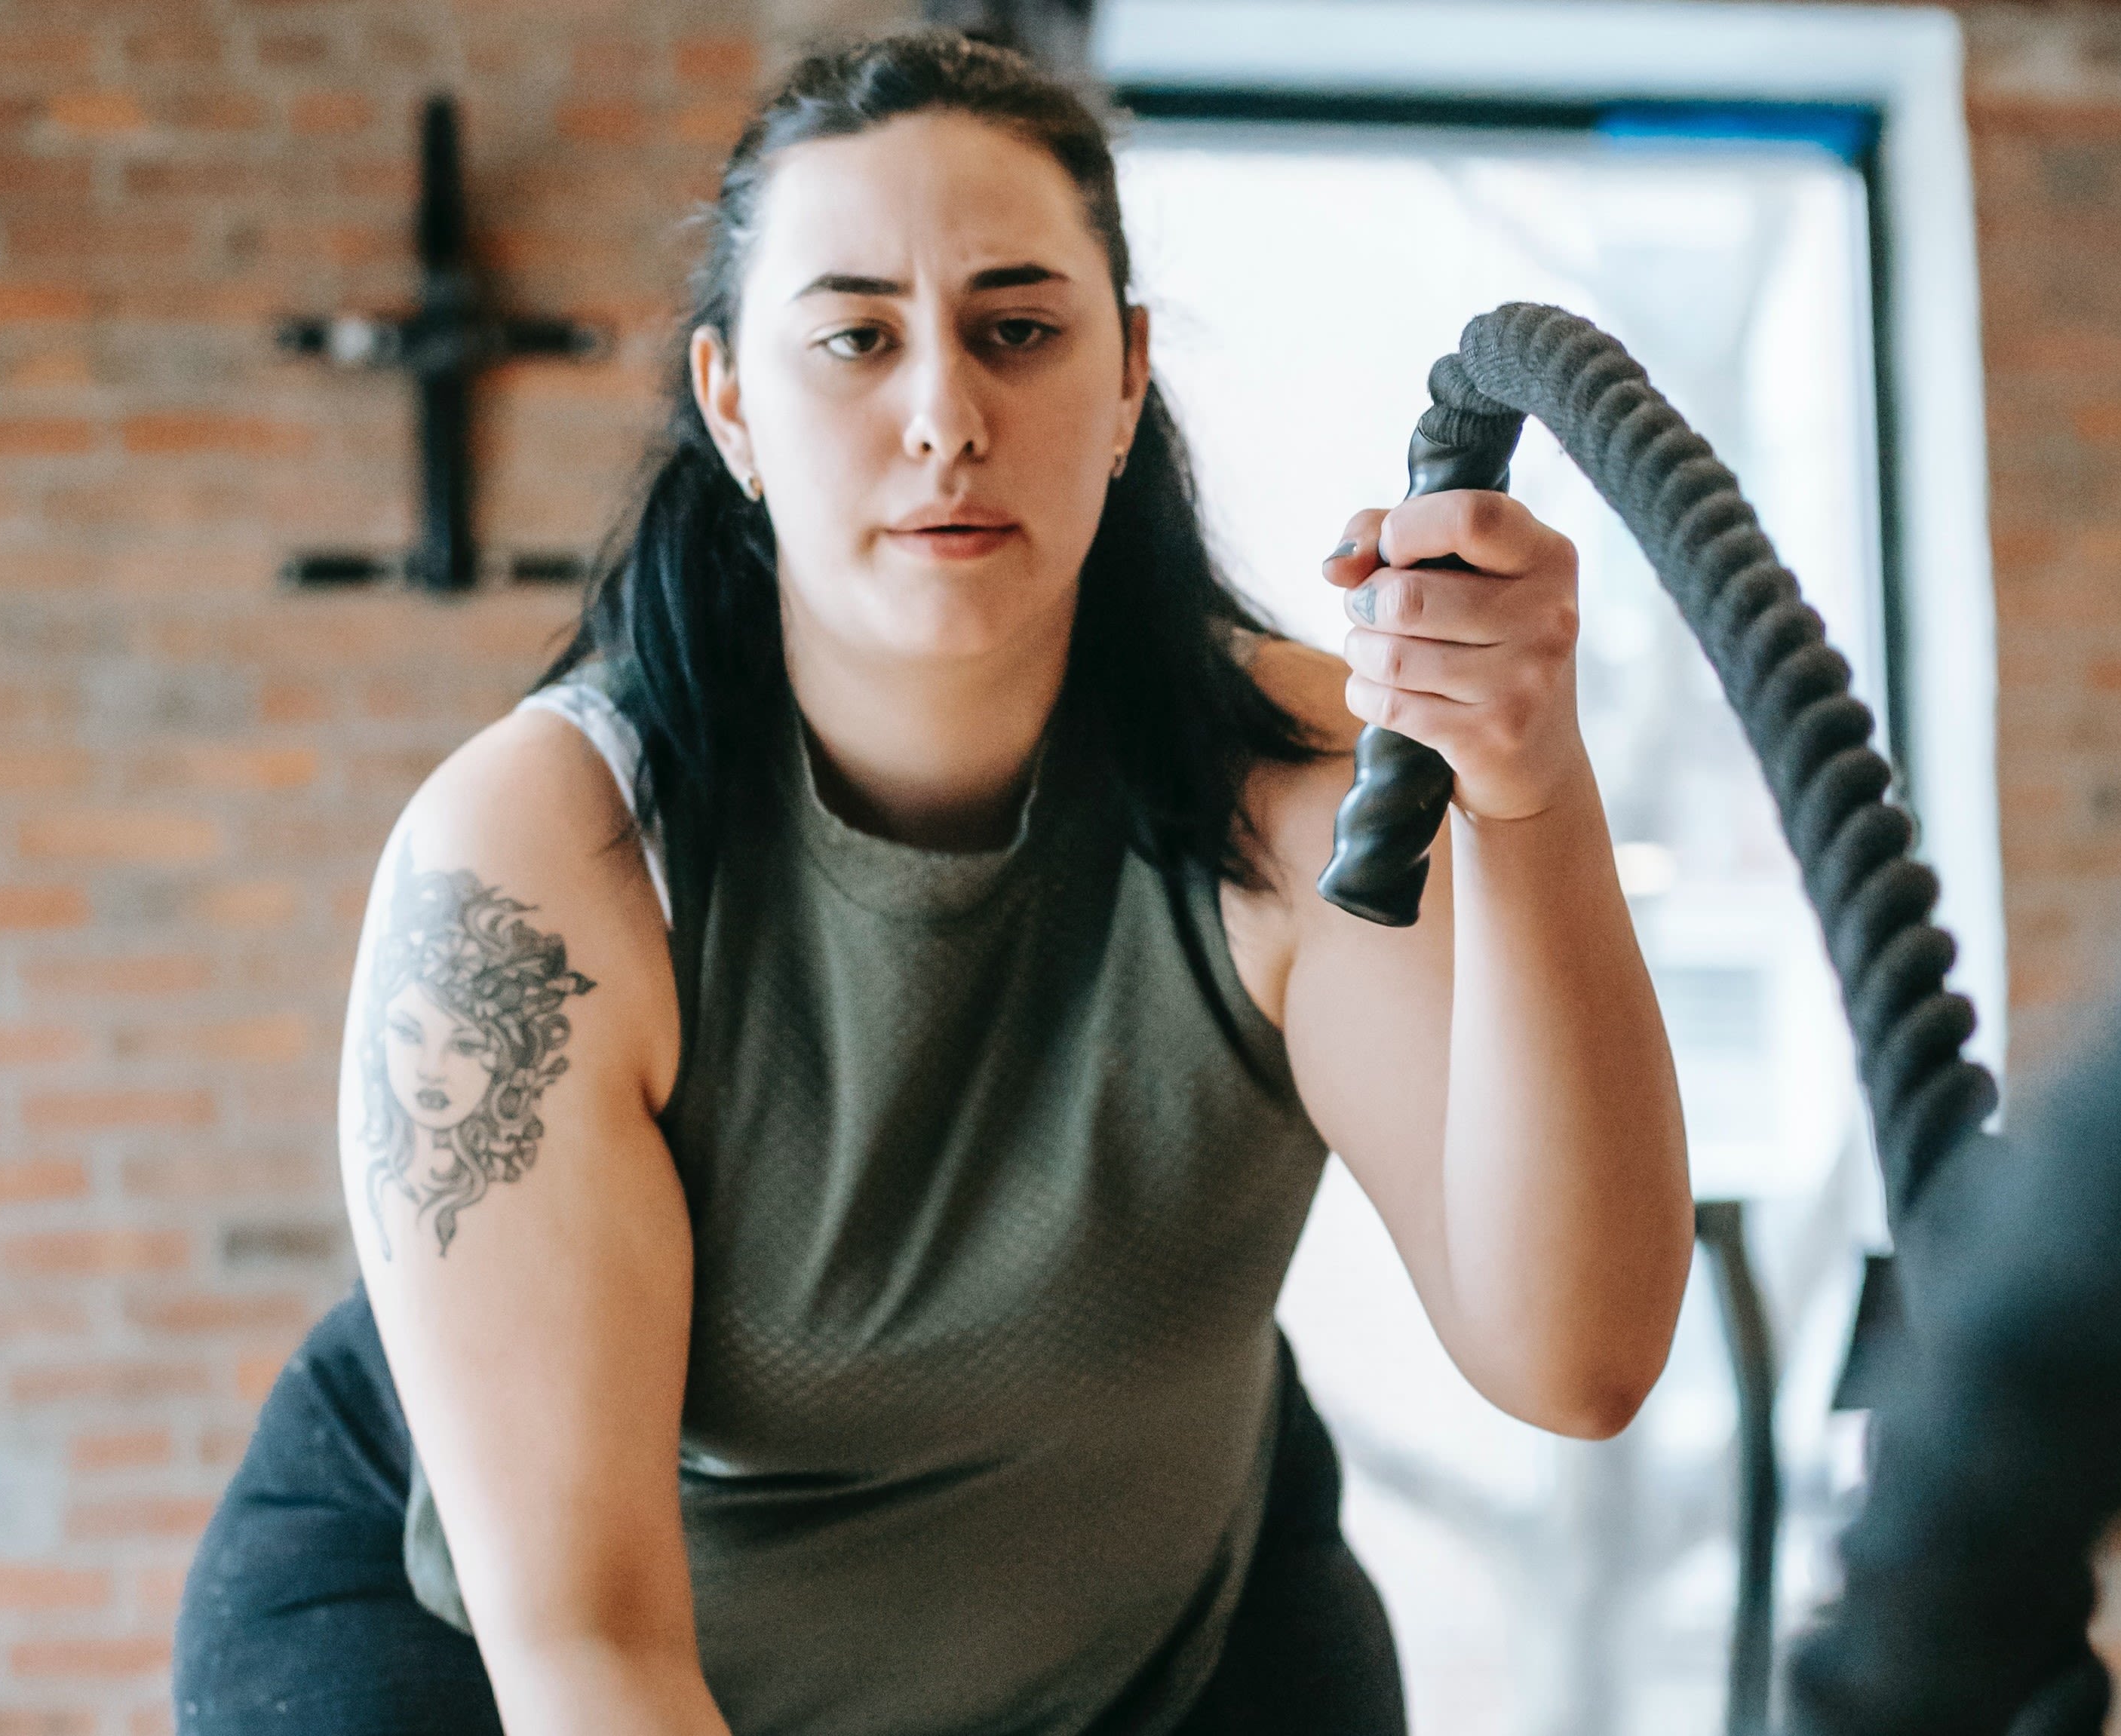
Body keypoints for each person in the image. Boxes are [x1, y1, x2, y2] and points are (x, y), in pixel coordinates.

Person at [173, 29, 1691, 1736]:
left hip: (1151, 1620)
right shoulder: (540, 860)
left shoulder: (1296, 789)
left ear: (1124, 381)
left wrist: (1525, 786)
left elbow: (1574, 1357)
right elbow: (589, 1643)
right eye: (852, 338)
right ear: (730, 400)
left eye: (1017, 331)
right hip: (483, 1640)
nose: (944, 418)